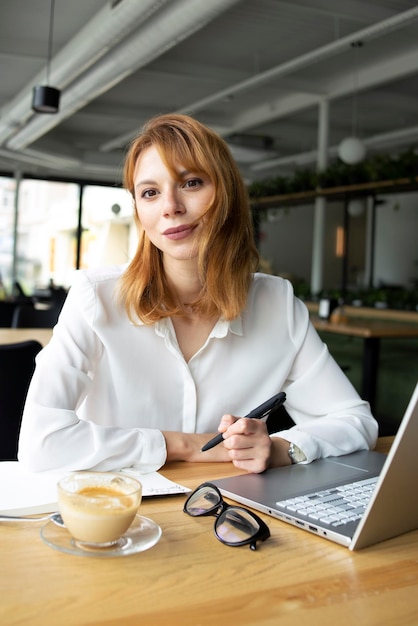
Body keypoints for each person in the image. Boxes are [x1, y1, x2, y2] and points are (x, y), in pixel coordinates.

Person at [18, 113, 378, 474]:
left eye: (191, 183)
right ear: (139, 210)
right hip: (117, 511)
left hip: (228, 509)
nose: (170, 207)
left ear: (226, 194)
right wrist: (186, 446)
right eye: (150, 192)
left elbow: (354, 420)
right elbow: (40, 443)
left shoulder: (276, 303)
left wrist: (280, 448)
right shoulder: (95, 298)